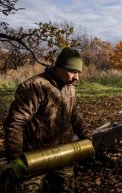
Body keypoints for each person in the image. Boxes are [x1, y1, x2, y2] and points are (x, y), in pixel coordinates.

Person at [4, 47, 92, 193]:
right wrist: (15, 159)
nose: (77, 78)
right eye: (73, 71)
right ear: (59, 67)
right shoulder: (35, 86)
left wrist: (87, 138)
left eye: (78, 73)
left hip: (63, 153)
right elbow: (15, 123)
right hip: (34, 157)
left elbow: (75, 116)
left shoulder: (70, 88)